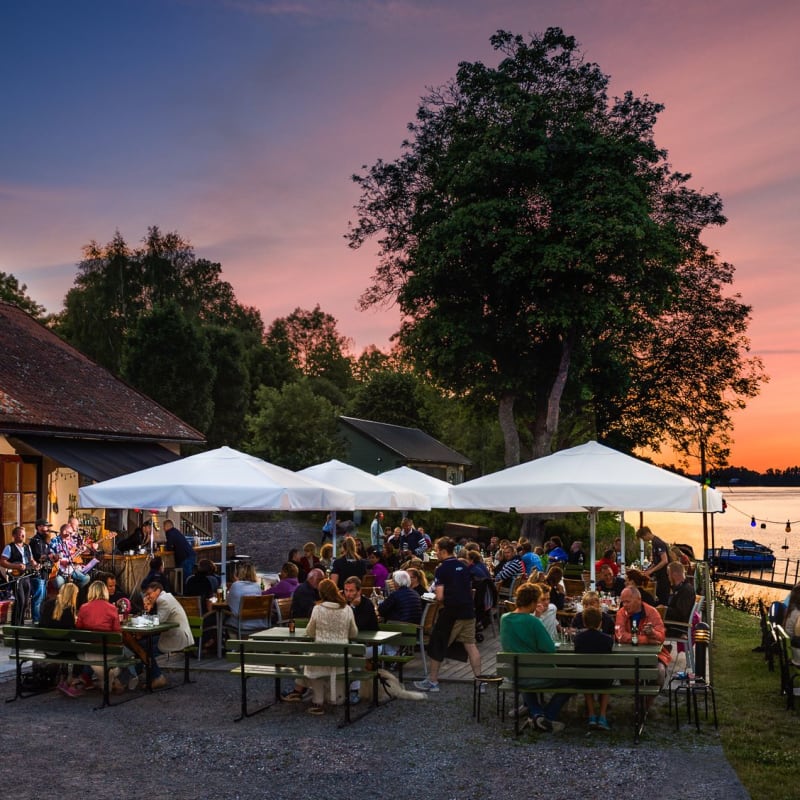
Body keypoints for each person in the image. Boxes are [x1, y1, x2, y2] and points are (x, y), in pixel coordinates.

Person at [414, 537, 481, 692]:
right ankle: (480, 680)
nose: (435, 553)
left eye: (436, 550)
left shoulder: (442, 568)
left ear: (443, 551)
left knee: (437, 644)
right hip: (468, 611)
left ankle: (432, 681)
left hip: (452, 612)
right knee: (471, 645)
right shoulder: (463, 565)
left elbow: (440, 596)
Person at [499, 582, 569, 732]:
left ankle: (537, 714)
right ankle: (547, 716)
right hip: (535, 675)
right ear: (532, 602)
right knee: (571, 680)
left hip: (514, 674)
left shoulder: (504, 618)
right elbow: (550, 649)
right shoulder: (533, 622)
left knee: (525, 673)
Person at [302, 578, 358, 715]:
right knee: (336, 678)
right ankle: (336, 698)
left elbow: (309, 632)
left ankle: (318, 700)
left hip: (320, 655)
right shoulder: (347, 609)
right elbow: (354, 633)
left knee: (311, 661)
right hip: (341, 657)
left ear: (321, 593)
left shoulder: (317, 609)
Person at [615, 587, 669, 690]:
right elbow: (620, 636)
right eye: (623, 602)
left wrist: (653, 633)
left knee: (660, 673)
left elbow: (661, 637)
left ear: (638, 600)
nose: (624, 605)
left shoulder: (652, 612)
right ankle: (638, 700)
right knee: (626, 673)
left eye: (627, 601)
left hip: (652, 655)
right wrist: (647, 640)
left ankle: (646, 704)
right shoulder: (621, 613)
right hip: (628, 655)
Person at [141, 582, 194, 685]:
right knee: (142, 645)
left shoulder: (162, 599)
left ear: (157, 591)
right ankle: (142, 675)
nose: (148, 597)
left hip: (177, 637)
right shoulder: (166, 596)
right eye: (146, 595)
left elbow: (159, 621)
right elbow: (160, 620)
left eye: (149, 594)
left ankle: (157, 677)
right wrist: (150, 607)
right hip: (176, 634)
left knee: (145, 649)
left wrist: (148, 609)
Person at [574, 605, 614, 731]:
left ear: (584, 623)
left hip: (584, 679)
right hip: (603, 680)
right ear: (601, 623)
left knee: (587, 674)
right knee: (605, 675)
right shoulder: (607, 639)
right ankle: (602, 716)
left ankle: (591, 715)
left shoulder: (578, 639)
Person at [40, 582, 83, 697]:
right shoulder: (69, 610)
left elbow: (42, 624)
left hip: (46, 647)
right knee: (81, 648)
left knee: (66, 645)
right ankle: (72, 681)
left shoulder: (48, 604)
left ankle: (62, 680)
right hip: (61, 649)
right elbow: (75, 633)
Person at [1, 526, 38, 624]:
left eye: (23, 535)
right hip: (16, 577)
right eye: (20, 534)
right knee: (20, 600)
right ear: (14, 536)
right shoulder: (9, 547)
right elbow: (2, 561)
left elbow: (31, 560)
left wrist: (36, 565)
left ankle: (20, 623)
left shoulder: (27, 547)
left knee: (25, 601)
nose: (22, 536)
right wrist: (15, 565)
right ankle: (16, 625)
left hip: (26, 576)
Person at [49, 523, 91, 591]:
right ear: (64, 532)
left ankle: (74, 591)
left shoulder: (71, 541)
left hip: (71, 569)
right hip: (58, 570)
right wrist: (61, 561)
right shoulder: (54, 541)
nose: (72, 535)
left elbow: (75, 554)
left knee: (86, 578)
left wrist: (82, 550)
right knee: (60, 583)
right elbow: (50, 555)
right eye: (70, 533)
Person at [638, 526, 671, 605]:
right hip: (659, 575)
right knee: (659, 596)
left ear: (647, 533)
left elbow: (664, 560)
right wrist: (648, 571)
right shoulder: (653, 543)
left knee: (663, 599)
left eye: (643, 538)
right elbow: (656, 562)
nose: (643, 540)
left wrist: (651, 571)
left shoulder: (658, 543)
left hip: (664, 575)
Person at [28, 518, 53, 624]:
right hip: (37, 573)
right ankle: (36, 620)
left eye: (48, 527)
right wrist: (50, 556)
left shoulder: (45, 541)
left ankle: (41, 618)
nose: (48, 529)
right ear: (39, 527)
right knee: (38, 597)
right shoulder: (35, 541)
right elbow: (38, 556)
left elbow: (47, 555)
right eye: (45, 526)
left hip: (45, 572)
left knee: (43, 597)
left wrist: (53, 557)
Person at [226, 562, 264, 632]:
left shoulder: (235, 585)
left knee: (222, 616)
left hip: (240, 623)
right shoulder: (257, 586)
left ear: (240, 572)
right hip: (258, 623)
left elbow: (228, 602)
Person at [664, 561, 697, 637]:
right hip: (675, 623)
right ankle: (664, 648)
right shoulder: (682, 588)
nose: (668, 577)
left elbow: (680, 613)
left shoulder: (686, 590)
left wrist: (664, 609)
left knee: (648, 626)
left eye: (668, 574)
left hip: (677, 627)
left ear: (674, 575)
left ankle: (662, 648)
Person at [163, 519, 196, 583]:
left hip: (185, 558)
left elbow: (169, 547)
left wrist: (165, 547)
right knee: (188, 578)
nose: (163, 529)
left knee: (186, 579)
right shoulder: (176, 531)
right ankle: (187, 591)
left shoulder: (169, 533)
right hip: (190, 555)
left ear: (167, 526)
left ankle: (186, 592)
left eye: (164, 527)